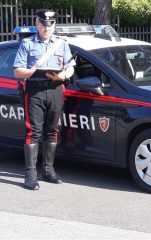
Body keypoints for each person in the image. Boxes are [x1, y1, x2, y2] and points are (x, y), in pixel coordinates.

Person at [13, 9, 76, 190]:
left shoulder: (61, 44)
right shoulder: (27, 44)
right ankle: (30, 174)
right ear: (37, 24)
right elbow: (18, 71)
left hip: (56, 89)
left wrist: (63, 75)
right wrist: (34, 70)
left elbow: (70, 67)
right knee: (33, 132)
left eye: (50, 25)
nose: (47, 28)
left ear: (54, 25)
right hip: (35, 91)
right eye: (43, 24)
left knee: (52, 130)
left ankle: (48, 171)